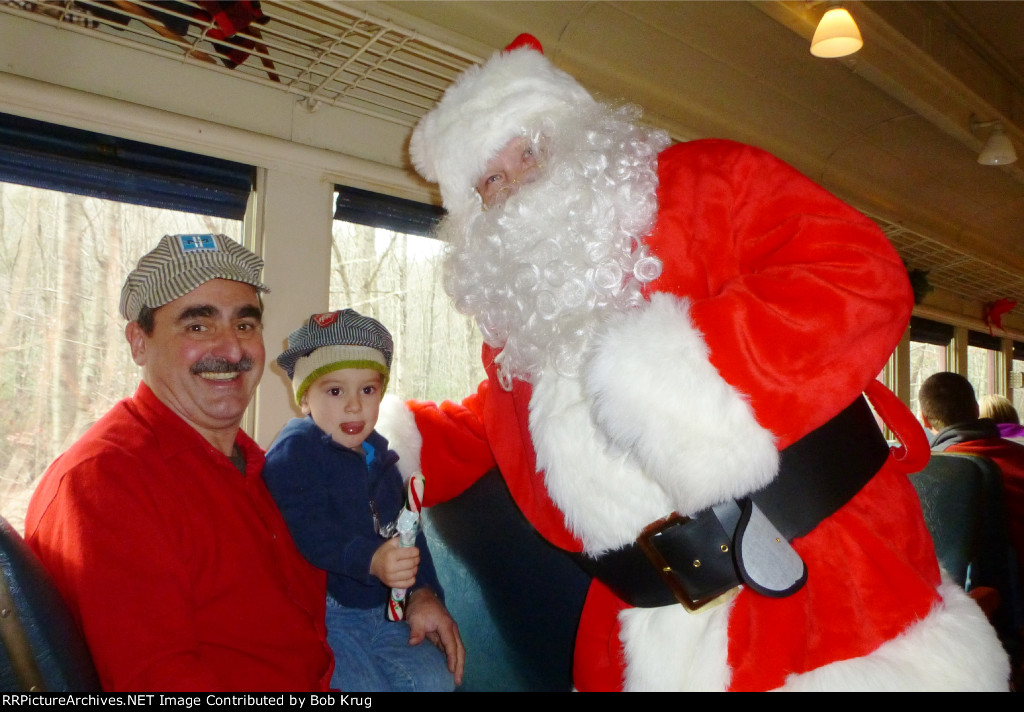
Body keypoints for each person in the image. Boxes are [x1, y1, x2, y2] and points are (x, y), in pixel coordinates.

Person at [378, 35, 1009, 690]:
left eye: (526, 152)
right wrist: (382, 434)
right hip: (641, 631)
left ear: (574, 134)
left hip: (827, 593)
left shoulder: (707, 180)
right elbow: (500, 428)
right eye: (490, 183)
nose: (515, 188)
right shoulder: (521, 324)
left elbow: (857, 277)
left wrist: (691, 371)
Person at [25, 234, 334, 691]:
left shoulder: (263, 468)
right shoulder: (107, 482)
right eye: (197, 326)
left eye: (245, 325)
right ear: (138, 342)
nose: (232, 350)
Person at [264, 309, 464, 692]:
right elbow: (308, 529)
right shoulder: (296, 452)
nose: (354, 406)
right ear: (305, 398)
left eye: (368, 390)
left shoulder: (382, 459)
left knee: (434, 682)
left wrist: (425, 593)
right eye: (335, 391)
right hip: (329, 618)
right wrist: (370, 558)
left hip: (388, 612)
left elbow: (409, 536)